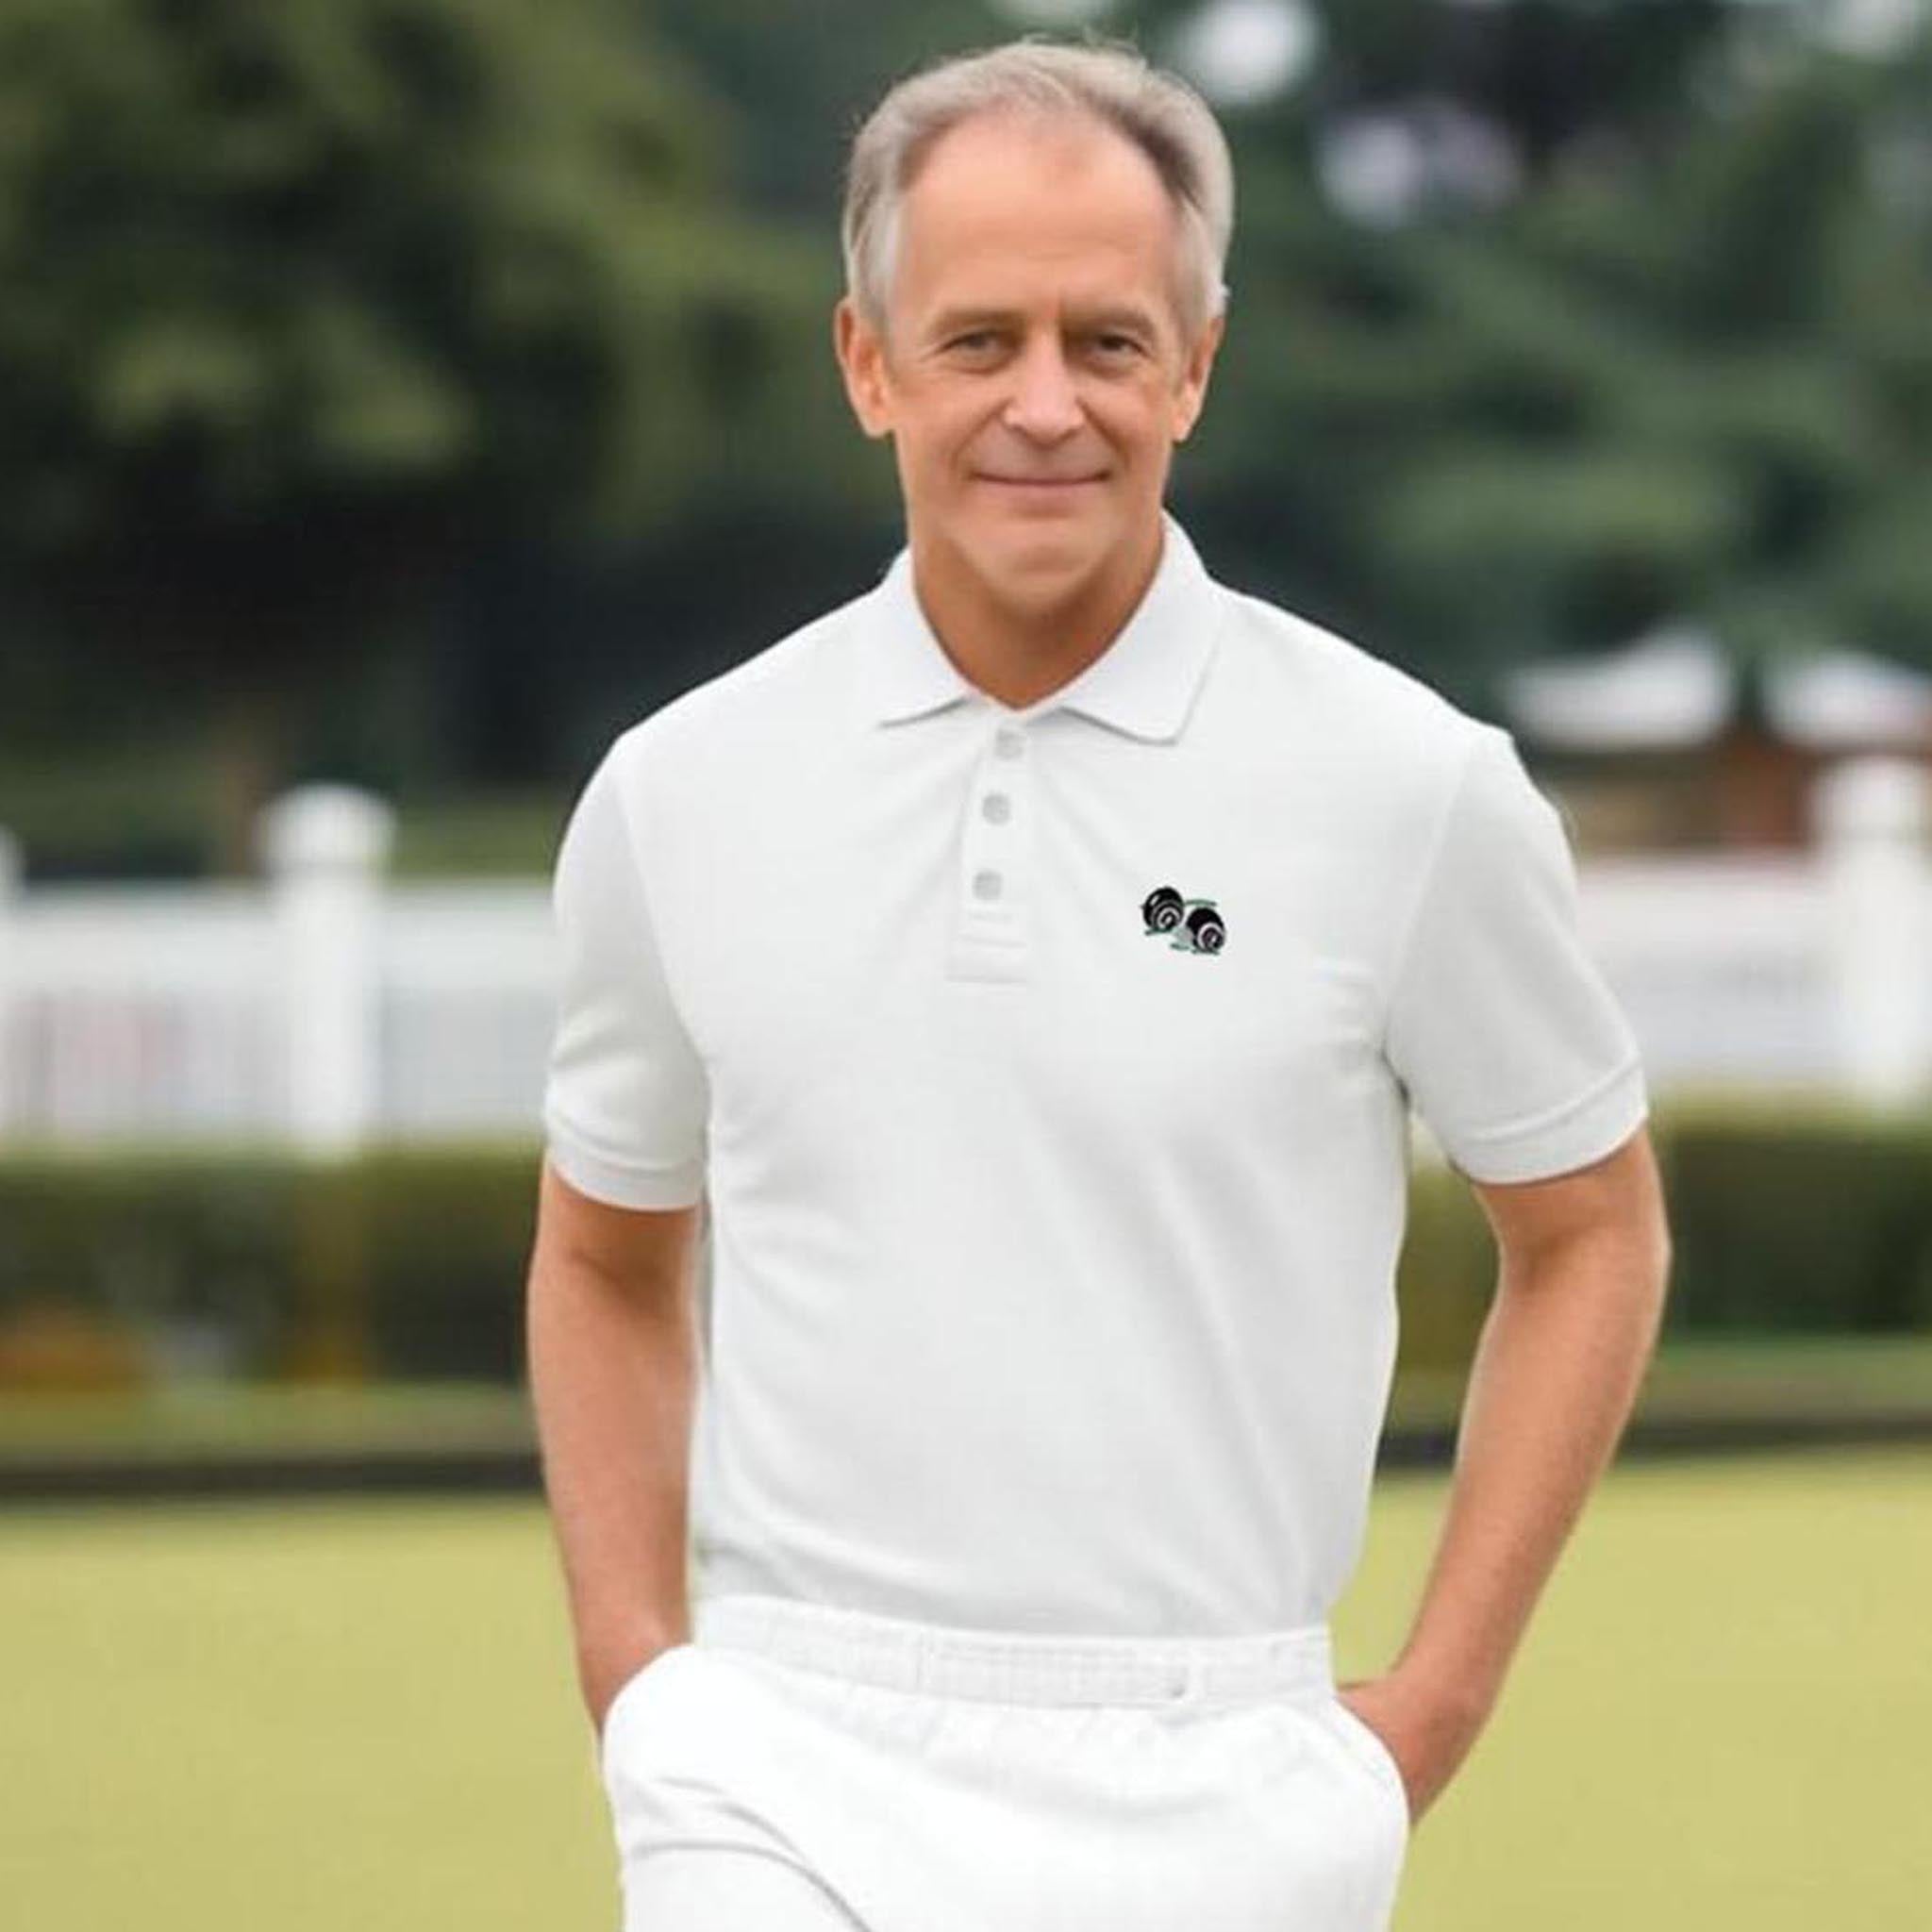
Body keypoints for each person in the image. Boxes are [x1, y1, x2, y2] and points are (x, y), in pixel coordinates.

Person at [525, 33, 1673, 1932]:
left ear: (1197, 365)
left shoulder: (1409, 789)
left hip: (1221, 1774)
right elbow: (602, 1251)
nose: (1043, 406)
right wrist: (638, 1678)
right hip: (775, 1763)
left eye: (1108, 341)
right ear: (866, 363)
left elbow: (1592, 1234)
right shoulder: (680, 791)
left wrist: (1422, 1711)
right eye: (978, 340)